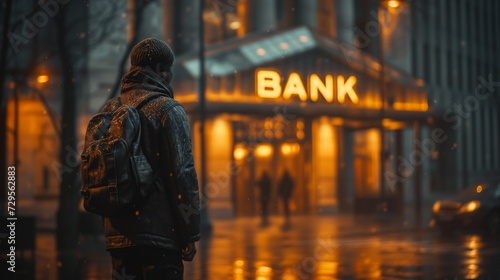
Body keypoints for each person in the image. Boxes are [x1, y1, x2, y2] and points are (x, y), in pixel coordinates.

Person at [99, 38, 200, 280]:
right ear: (159, 69)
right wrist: (189, 232)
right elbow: (182, 173)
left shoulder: (110, 108)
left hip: (119, 237)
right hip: (161, 237)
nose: (170, 75)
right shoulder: (168, 109)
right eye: (168, 69)